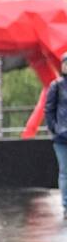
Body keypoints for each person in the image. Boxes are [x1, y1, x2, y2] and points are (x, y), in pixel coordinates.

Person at [44, 53, 67, 215]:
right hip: (62, 137)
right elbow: (49, 110)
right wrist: (55, 128)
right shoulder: (57, 86)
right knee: (65, 171)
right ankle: (66, 205)